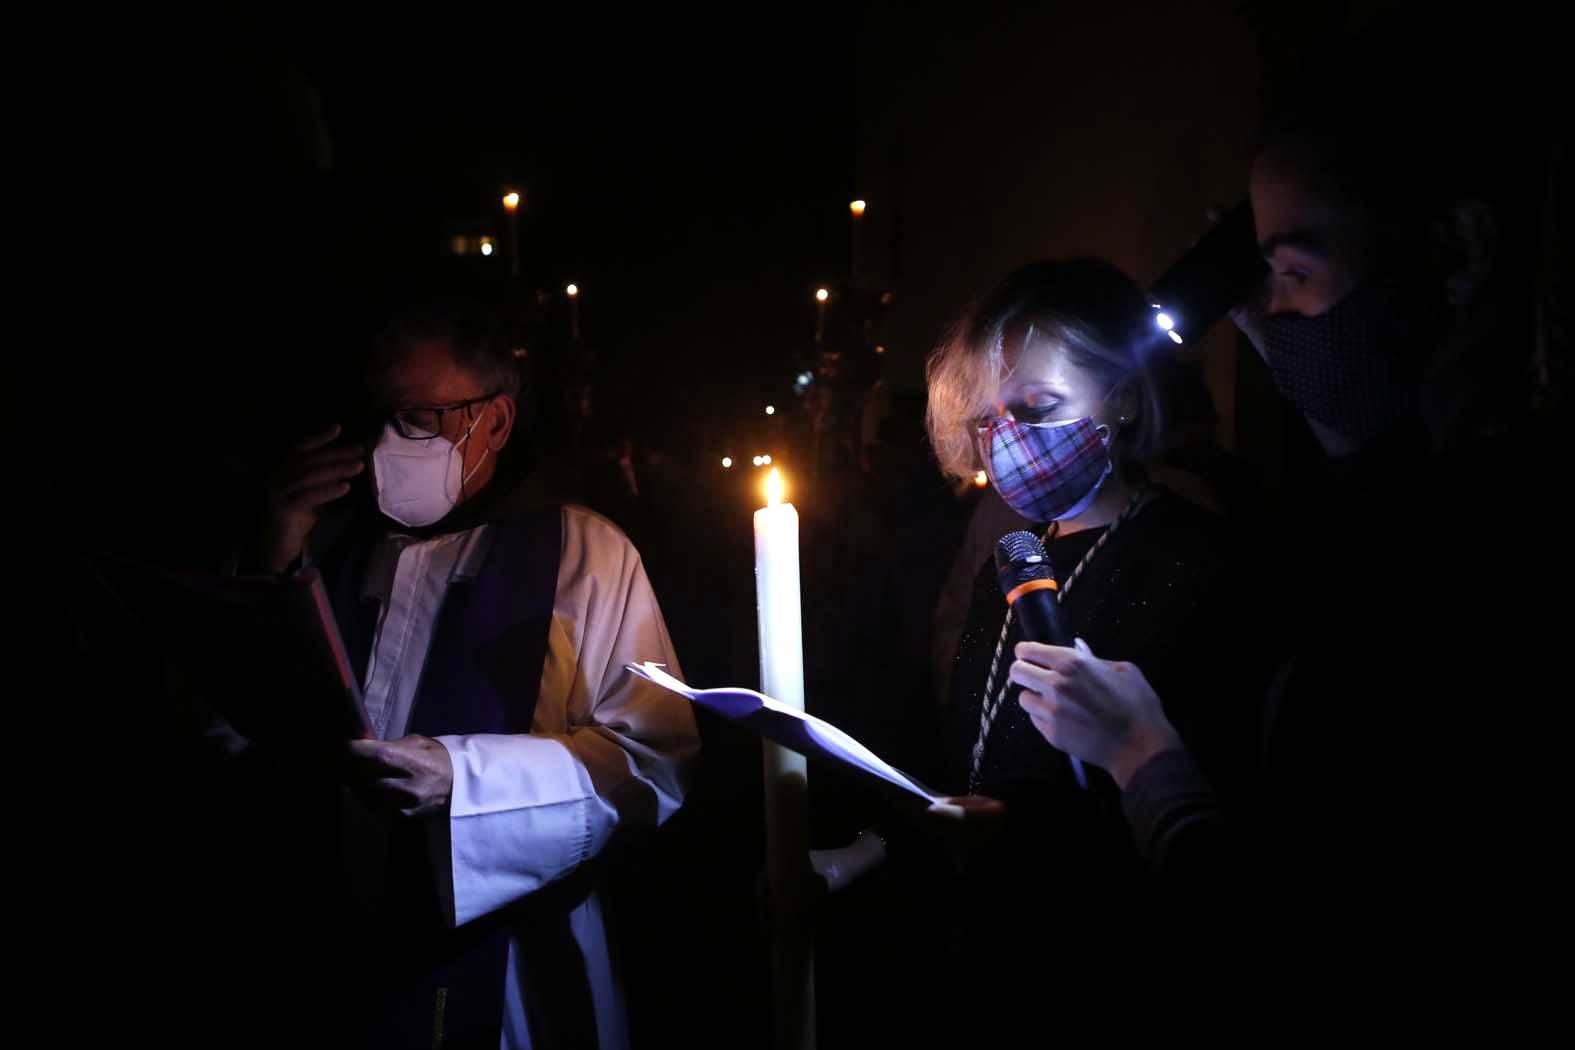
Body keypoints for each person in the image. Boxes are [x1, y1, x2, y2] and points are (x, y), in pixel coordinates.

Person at [1010, 107, 1564, 986]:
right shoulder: (1375, 513)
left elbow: (1292, 927)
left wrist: (1142, 758)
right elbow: (1377, 473)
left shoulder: (1488, 543)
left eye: (1296, 273)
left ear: (1456, 251)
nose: (1267, 317)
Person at [813, 259, 1274, 1036]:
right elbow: (979, 757)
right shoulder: (1014, 562)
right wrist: (885, 845)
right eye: (989, 420)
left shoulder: (1197, 562)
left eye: (1038, 405)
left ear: (1122, 399)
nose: (1009, 441)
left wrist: (1033, 842)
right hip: (986, 965)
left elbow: (1217, 828)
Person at [256, 299, 700, 1048]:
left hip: (516, 971)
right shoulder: (333, 548)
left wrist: (465, 781)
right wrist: (270, 557)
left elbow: (653, 762)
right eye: (379, 417)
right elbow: (243, 727)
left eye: (417, 419)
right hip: (341, 939)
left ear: (492, 422)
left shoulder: (582, 553)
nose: (386, 444)